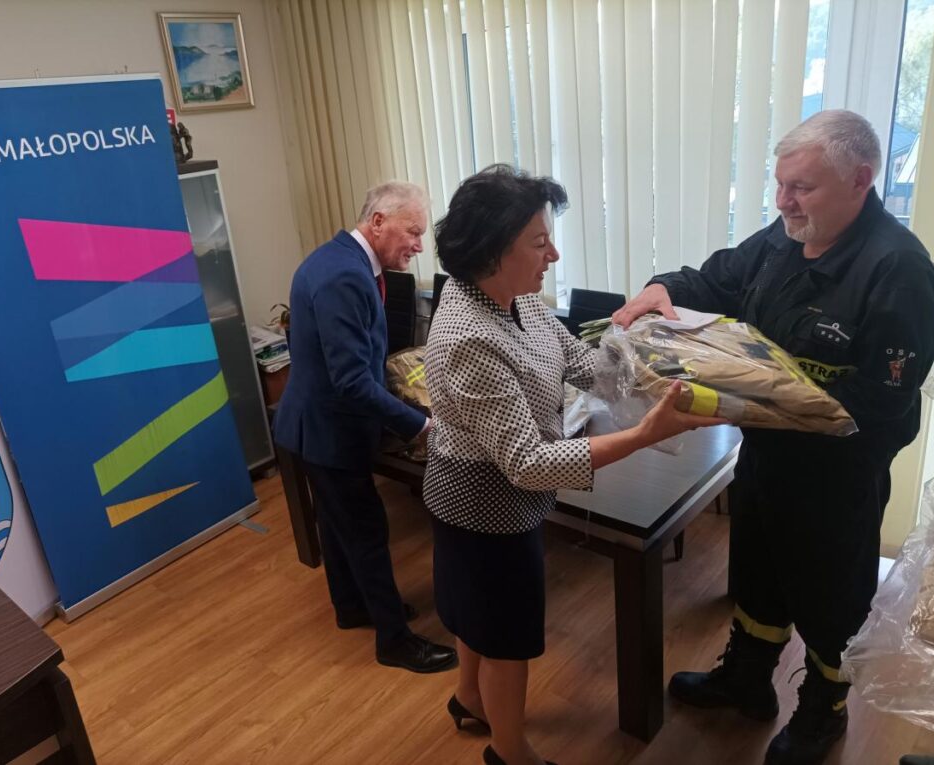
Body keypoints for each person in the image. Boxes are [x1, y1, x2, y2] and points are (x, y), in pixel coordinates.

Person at [613, 110, 934, 765]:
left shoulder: (900, 270)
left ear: (861, 180)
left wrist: (766, 401)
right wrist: (662, 287)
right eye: (780, 183)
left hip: (837, 475)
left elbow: (884, 400)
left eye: (802, 187)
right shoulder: (786, 236)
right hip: (766, 454)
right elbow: (720, 278)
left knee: (831, 598)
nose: (784, 200)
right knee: (757, 572)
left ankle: (823, 710)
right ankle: (747, 677)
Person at [425, 165, 725, 765]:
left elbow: (581, 366)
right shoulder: (467, 337)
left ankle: (469, 699)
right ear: (491, 250)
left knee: (479, 616)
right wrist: (643, 434)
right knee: (505, 638)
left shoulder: (516, 300)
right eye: (539, 242)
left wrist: (651, 362)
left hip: (496, 494)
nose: (554, 255)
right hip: (482, 506)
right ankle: (510, 752)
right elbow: (528, 463)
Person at [273, 181, 457, 674]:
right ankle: (394, 641)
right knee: (367, 531)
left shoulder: (338, 259)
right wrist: (421, 425)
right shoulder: (345, 277)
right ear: (378, 221)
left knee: (337, 525)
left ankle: (351, 607)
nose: (418, 245)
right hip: (329, 430)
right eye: (413, 232)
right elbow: (353, 381)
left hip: (316, 424)